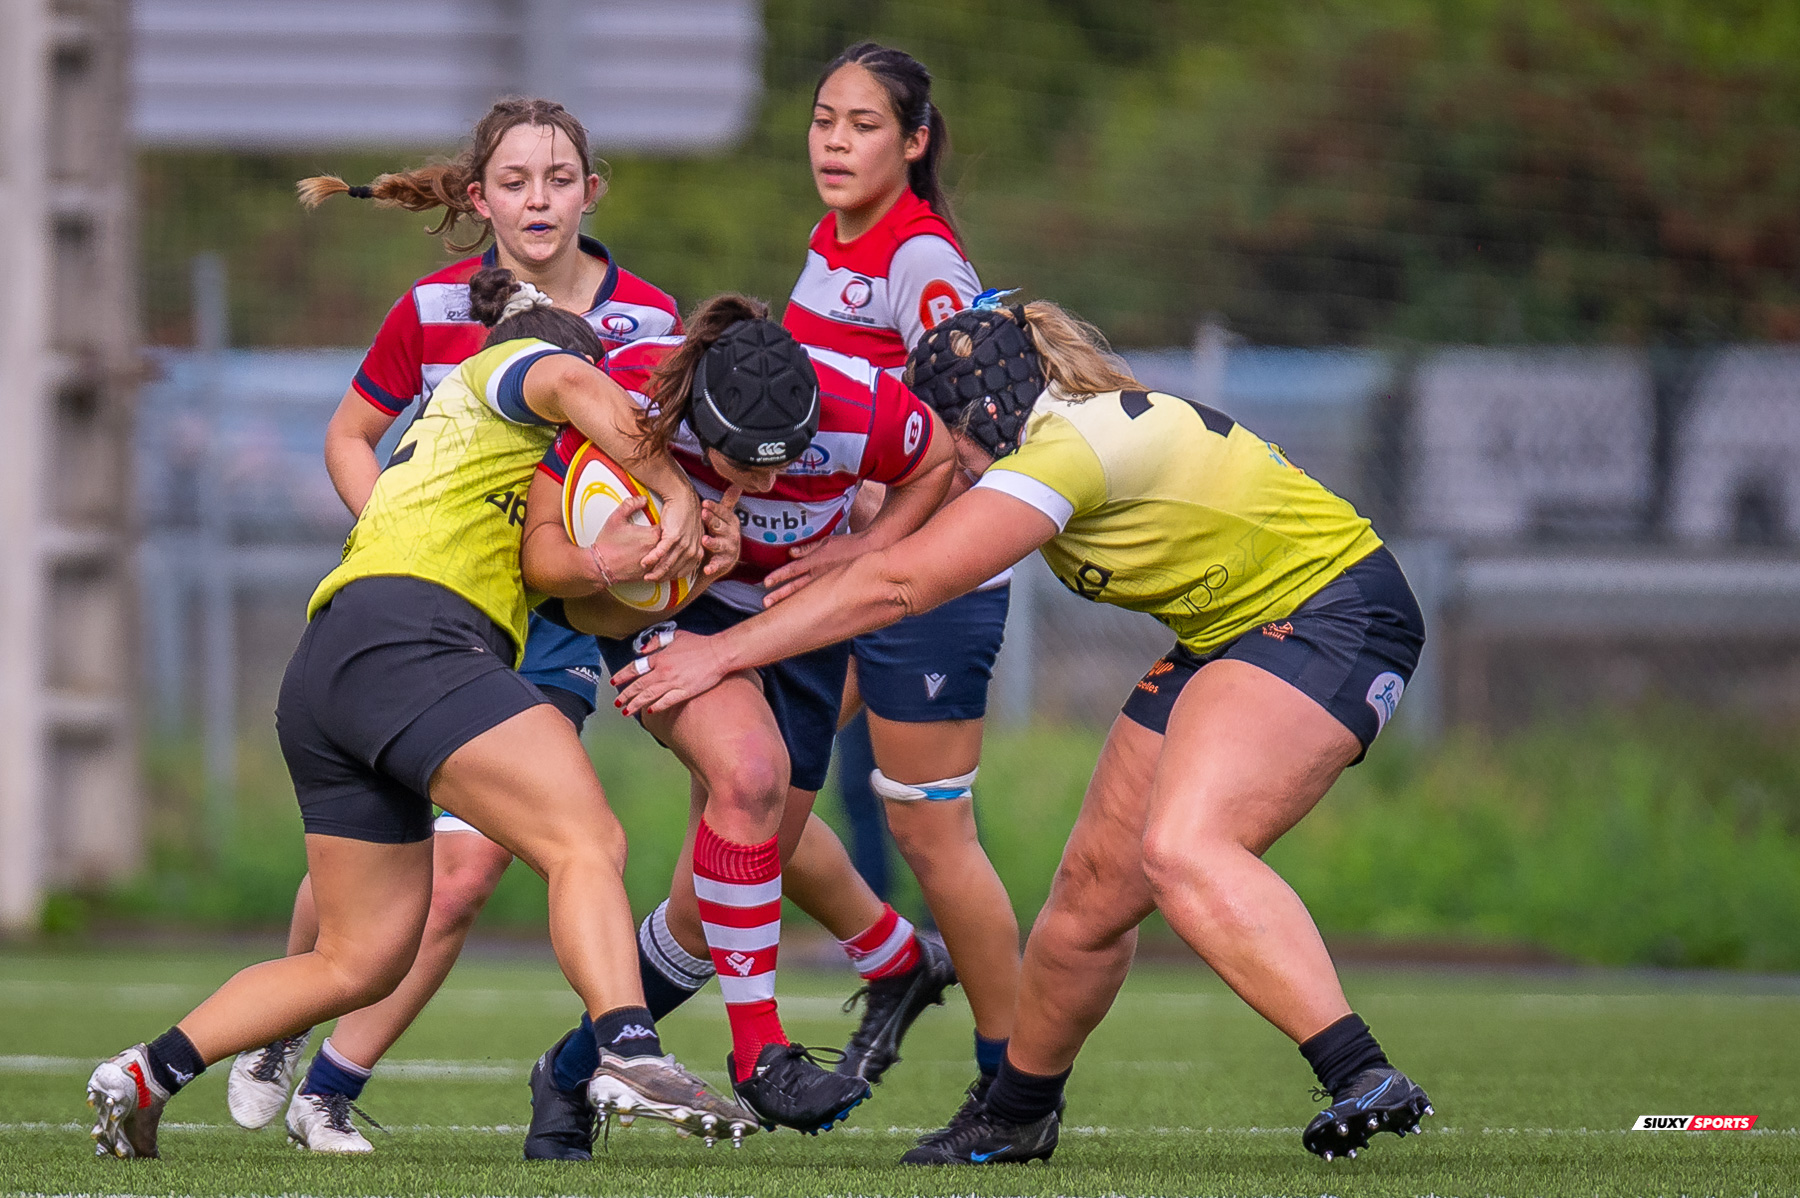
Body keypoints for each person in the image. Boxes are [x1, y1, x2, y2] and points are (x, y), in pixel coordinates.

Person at [612, 298, 1437, 1167]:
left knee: (1185, 848)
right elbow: (888, 560)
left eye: (956, 450)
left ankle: (1359, 1069)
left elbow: (901, 588)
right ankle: (1016, 1111)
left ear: (987, 417)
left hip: (1334, 616)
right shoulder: (1057, 433)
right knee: (1086, 901)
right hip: (1229, 633)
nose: (951, 472)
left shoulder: (1066, 448)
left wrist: (718, 656)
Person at [86, 268, 754, 1162]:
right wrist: (674, 492)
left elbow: (586, 607)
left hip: (332, 670)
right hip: (412, 639)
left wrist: (690, 569)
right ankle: (628, 1050)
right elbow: (568, 381)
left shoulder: (494, 472)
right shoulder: (516, 368)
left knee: (360, 960)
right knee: (583, 840)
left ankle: (147, 1073)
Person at [224, 98, 686, 1155]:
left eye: (560, 178)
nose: (538, 199)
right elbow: (352, 435)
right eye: (516, 181)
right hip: (429, 614)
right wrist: (391, 530)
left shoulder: (651, 322)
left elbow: (657, 466)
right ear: (479, 198)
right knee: (381, 854)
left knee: (468, 871)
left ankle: (329, 1087)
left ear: (591, 191)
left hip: (557, 626)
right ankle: (286, 1023)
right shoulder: (434, 306)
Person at [518, 294, 958, 1146]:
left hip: (801, 620)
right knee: (749, 773)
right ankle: (760, 1054)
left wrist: (864, 548)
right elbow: (541, 560)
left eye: (780, 464)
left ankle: (567, 1075)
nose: (759, 483)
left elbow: (935, 462)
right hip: (671, 619)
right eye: (736, 465)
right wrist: (622, 561)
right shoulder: (636, 397)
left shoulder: (859, 403)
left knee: (704, 908)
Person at [777, 41, 1023, 1097]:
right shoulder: (832, 238)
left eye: (864, 124)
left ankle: (1013, 1082)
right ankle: (893, 959)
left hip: (933, 581)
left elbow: (978, 442)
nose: (836, 141)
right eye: (825, 119)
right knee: (750, 801)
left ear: (915, 141)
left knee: (932, 832)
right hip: (845, 575)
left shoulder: (922, 259)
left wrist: (877, 528)